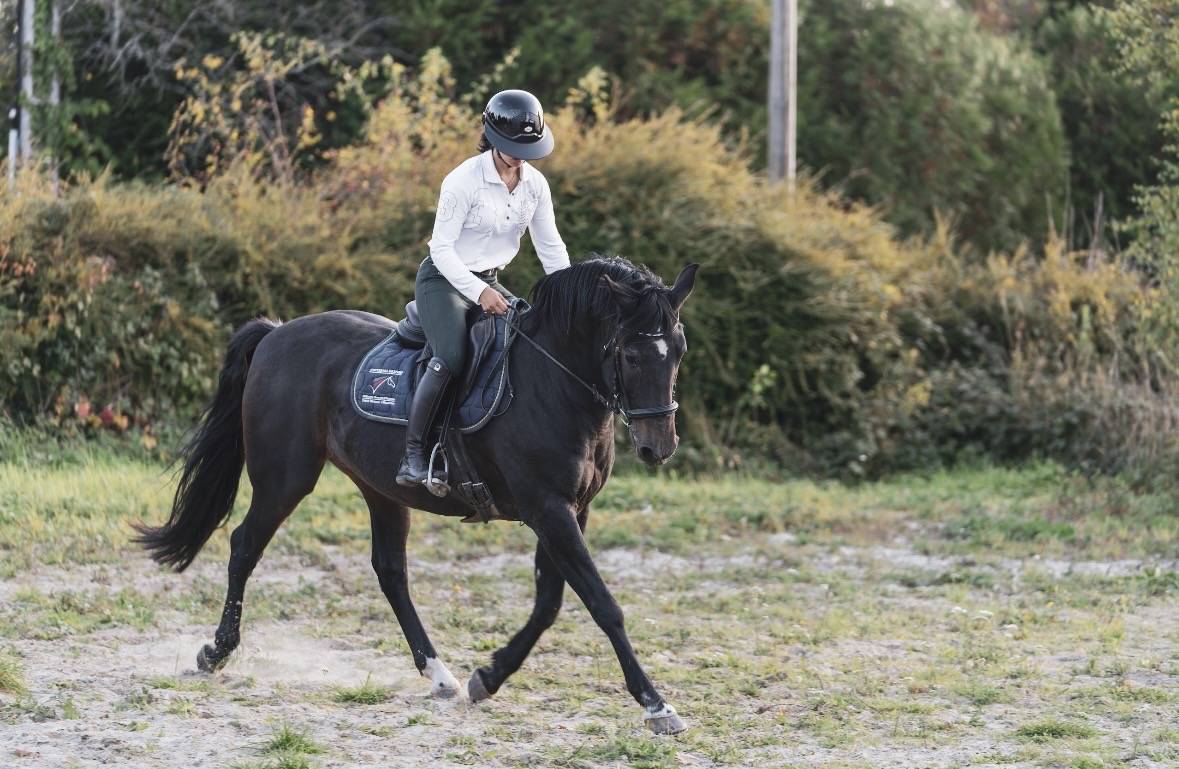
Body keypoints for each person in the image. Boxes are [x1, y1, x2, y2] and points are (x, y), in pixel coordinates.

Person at [396, 89, 571, 487]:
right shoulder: (462, 181)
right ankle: (414, 455)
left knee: (529, 343)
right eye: (512, 146)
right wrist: (479, 294)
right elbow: (440, 248)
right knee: (452, 357)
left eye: (527, 146)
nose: (519, 155)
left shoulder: (535, 186)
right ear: (491, 136)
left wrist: (567, 300)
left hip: (492, 279)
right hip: (445, 280)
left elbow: (551, 248)